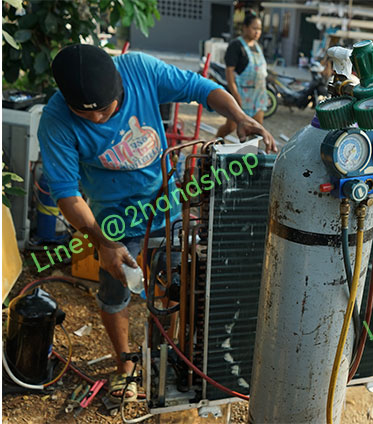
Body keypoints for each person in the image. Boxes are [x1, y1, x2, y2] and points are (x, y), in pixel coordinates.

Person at [37, 44, 276, 401]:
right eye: (84, 114)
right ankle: (125, 365)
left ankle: (164, 354)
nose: (97, 119)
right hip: (111, 219)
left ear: (120, 87)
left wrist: (239, 116)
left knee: (173, 285)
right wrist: (104, 243)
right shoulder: (55, 119)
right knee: (115, 292)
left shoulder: (140, 71)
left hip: (164, 202)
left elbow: (202, 88)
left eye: (105, 110)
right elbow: (67, 195)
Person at [216, 11, 268, 139]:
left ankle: (250, 151)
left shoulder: (258, 47)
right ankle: (214, 142)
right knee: (231, 127)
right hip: (241, 95)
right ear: (245, 27)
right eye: (254, 28)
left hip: (258, 96)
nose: (257, 32)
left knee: (257, 128)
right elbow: (229, 73)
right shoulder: (236, 46)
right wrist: (236, 95)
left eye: (259, 29)